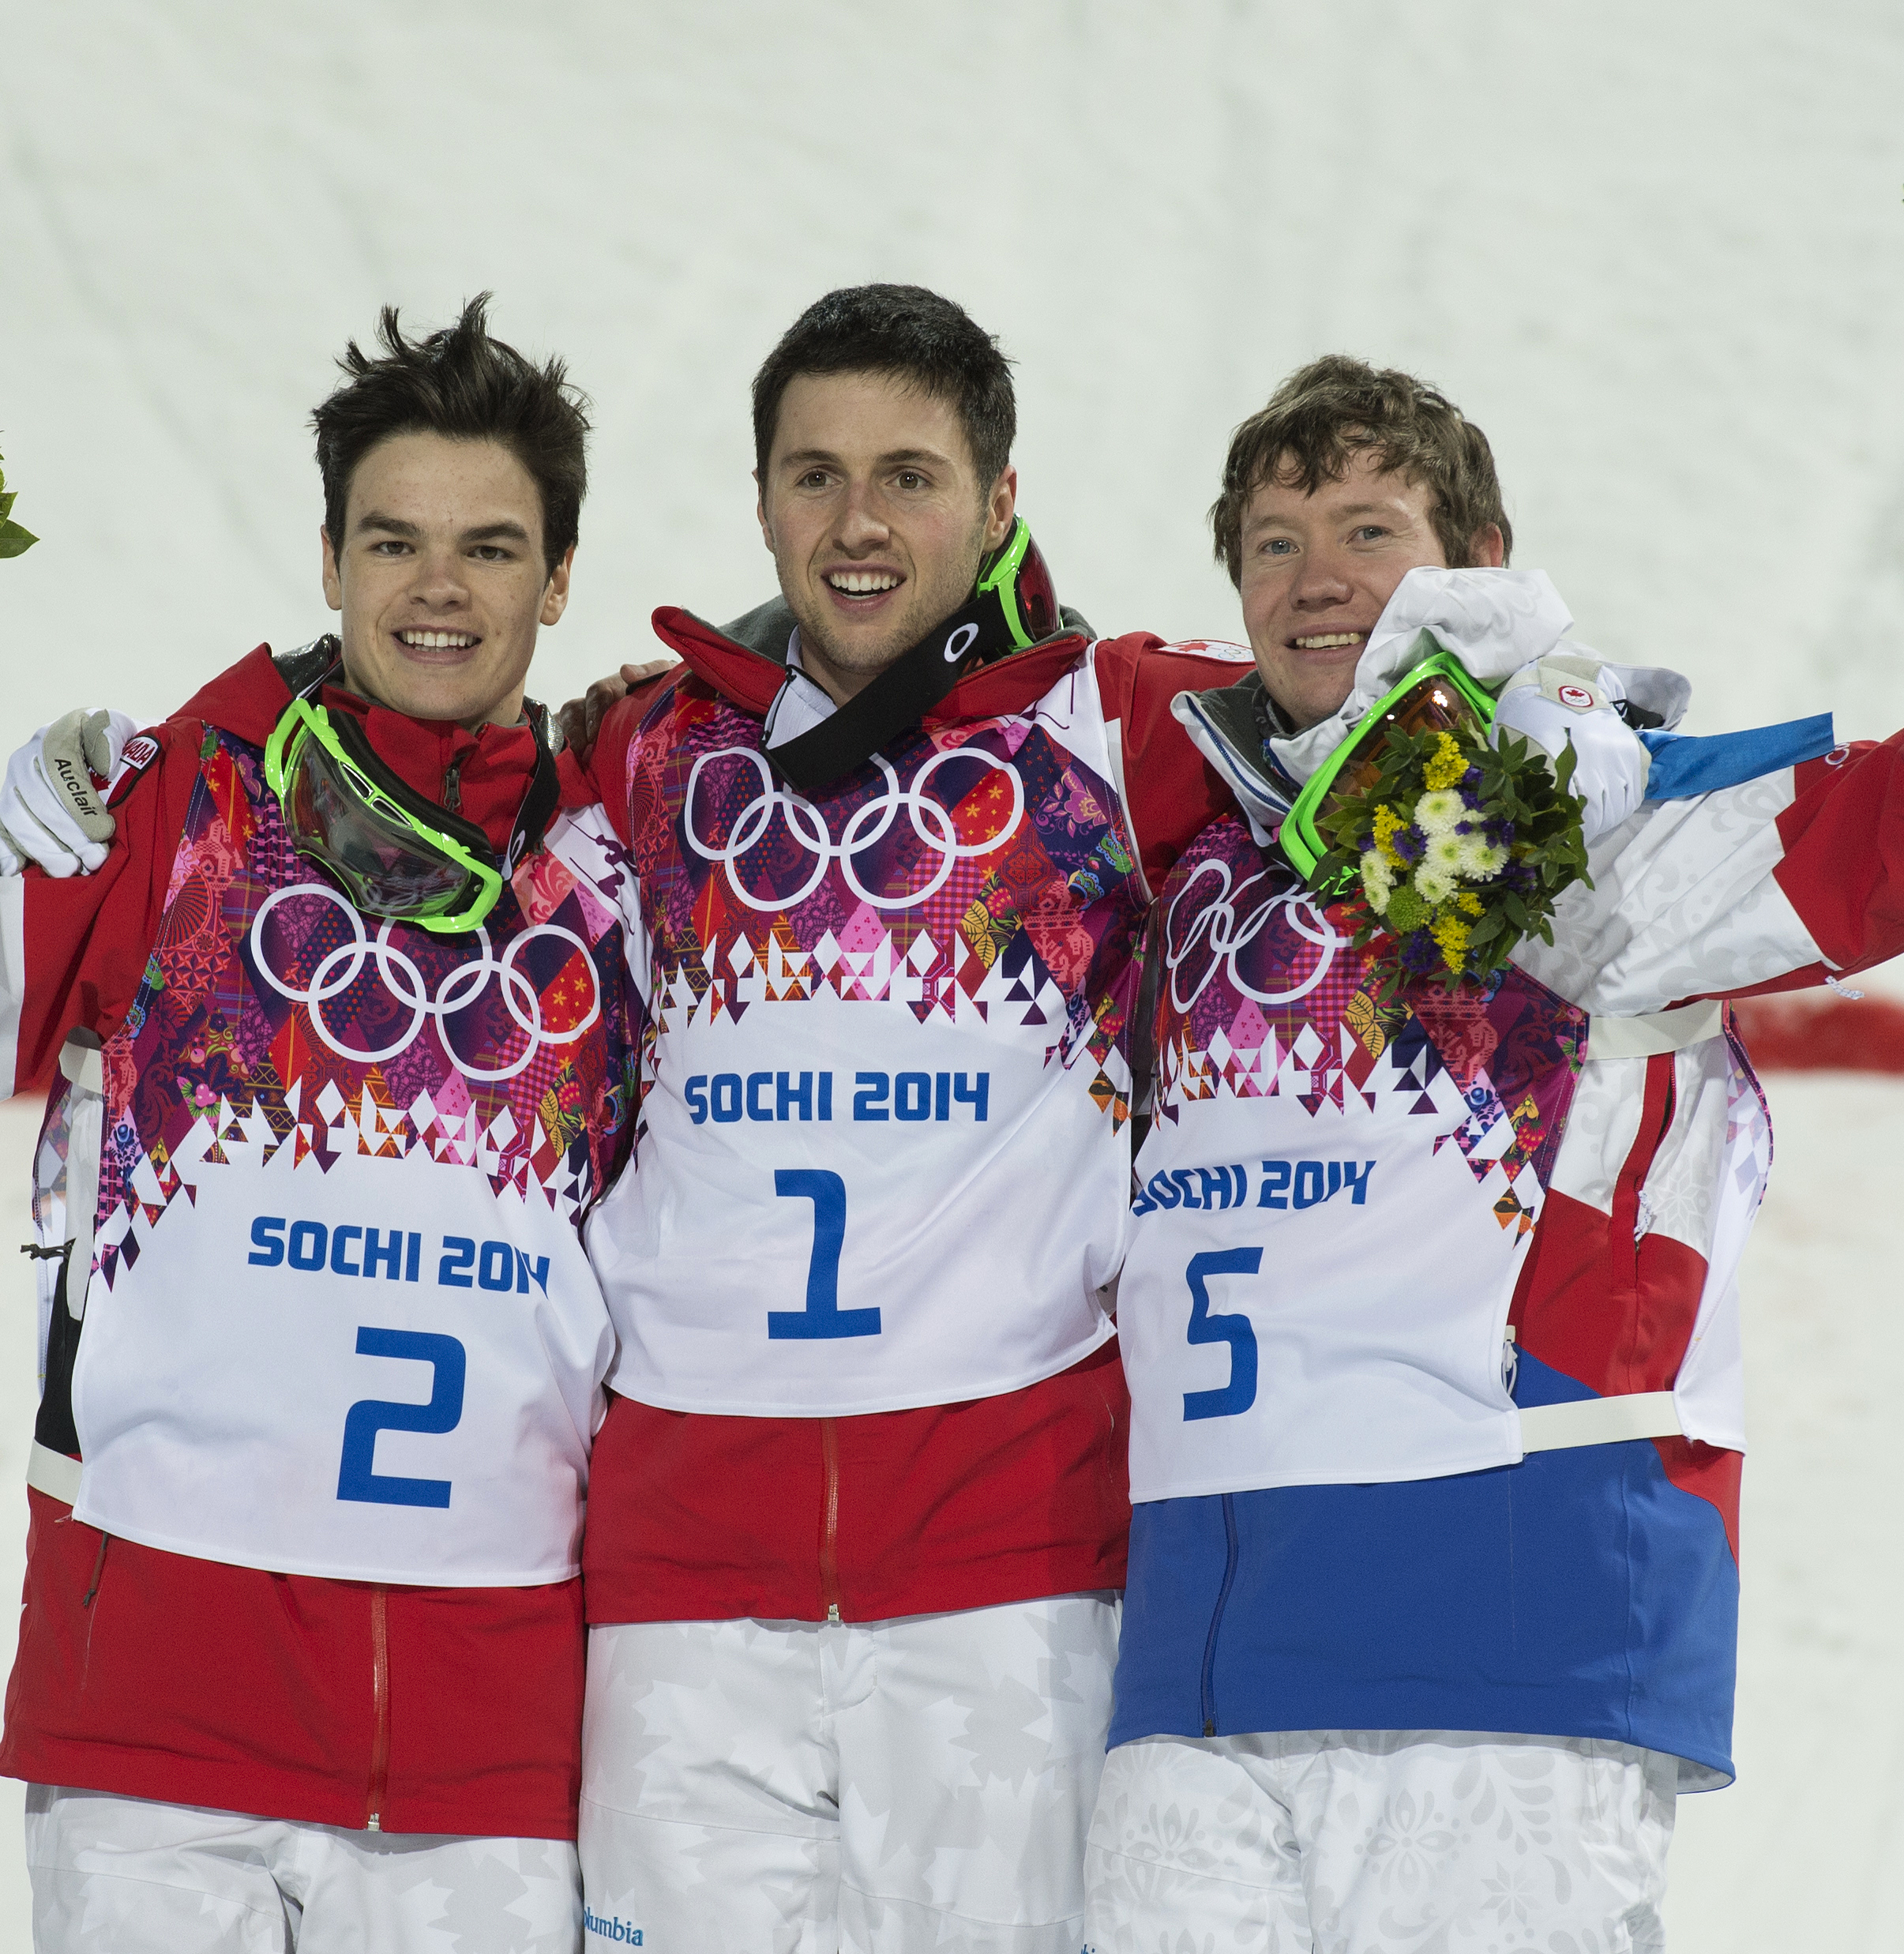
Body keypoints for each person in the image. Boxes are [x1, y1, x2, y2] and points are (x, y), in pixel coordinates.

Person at [1085, 310, 1904, 1947]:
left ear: (1477, 559)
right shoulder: (1188, 863)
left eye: (1366, 531)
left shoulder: (1608, 832)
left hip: (1504, 1661)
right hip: (1196, 1675)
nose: (1313, 572)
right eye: (1273, 540)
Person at [0, 298, 643, 1952]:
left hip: (491, 1735)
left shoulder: (632, 866)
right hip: (154, 1711)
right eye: (395, 540)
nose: (439, 586)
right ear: (330, 557)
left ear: (559, 578)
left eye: (492, 547)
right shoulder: (179, 808)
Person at [561, 284, 1248, 1951]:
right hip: (680, 1574)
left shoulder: (1119, 727)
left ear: (1000, 498)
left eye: (909, 475)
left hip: (1007, 1567)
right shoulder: (650, 754)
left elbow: (1370, 719)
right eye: (813, 475)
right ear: (760, 500)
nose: (857, 523)